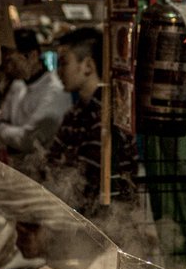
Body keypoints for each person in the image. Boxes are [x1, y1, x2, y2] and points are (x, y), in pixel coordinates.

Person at [44, 26, 138, 216]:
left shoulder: (107, 115)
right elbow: (50, 162)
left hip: (109, 222)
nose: (59, 72)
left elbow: (87, 178)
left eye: (64, 63)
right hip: (79, 217)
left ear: (88, 66)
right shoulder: (75, 113)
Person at [0, 28, 71, 176]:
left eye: (12, 61)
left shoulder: (54, 91)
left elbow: (28, 140)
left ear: (32, 56)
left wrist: (0, 128)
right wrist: (2, 128)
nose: (8, 68)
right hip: (17, 172)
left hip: (45, 176)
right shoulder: (18, 85)